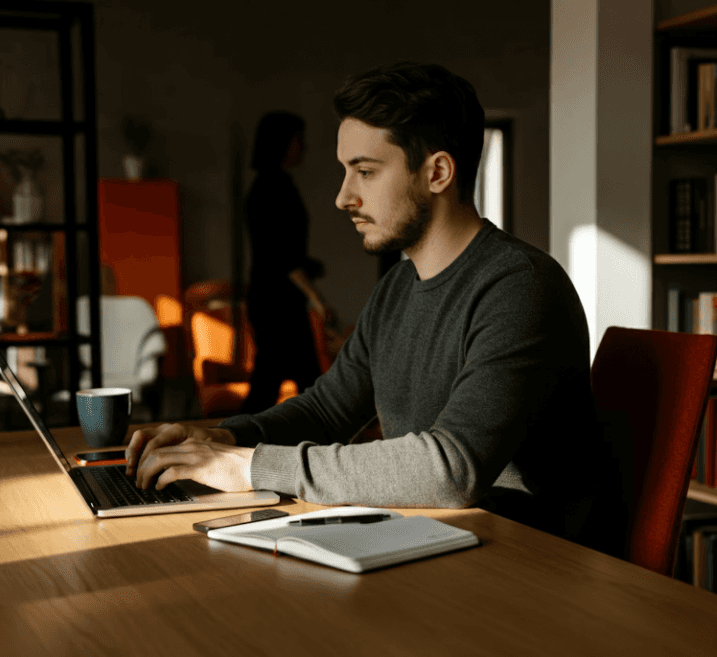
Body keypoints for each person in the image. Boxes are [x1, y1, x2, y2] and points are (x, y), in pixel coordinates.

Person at [126, 62, 600, 541]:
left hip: (525, 563)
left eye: (365, 172)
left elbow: (453, 468)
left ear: (437, 172)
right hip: (429, 540)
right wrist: (224, 439)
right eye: (345, 171)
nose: (342, 197)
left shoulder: (519, 288)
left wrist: (252, 467)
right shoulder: (397, 286)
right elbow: (327, 411)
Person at [240, 111, 327, 414]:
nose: (303, 146)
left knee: (291, 382)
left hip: (274, 299)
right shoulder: (273, 189)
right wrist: (316, 298)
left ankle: (233, 441)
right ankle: (229, 443)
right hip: (277, 303)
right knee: (286, 383)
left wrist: (310, 266)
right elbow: (281, 256)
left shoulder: (270, 186)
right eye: (297, 139)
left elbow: (280, 250)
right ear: (282, 143)